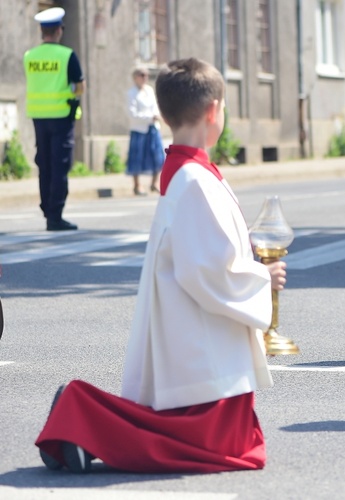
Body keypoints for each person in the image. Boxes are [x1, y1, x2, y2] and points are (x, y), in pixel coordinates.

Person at [35, 57, 286, 473]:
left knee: (225, 443)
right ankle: (79, 416)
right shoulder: (193, 180)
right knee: (216, 447)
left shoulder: (189, 173)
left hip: (198, 327)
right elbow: (206, 270)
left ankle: (82, 419)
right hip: (202, 334)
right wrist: (264, 276)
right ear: (213, 110)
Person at [24, 7, 85, 231]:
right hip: (61, 116)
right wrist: (72, 96)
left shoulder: (29, 56)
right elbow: (80, 87)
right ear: (59, 30)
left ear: (42, 31)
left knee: (44, 163)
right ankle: (55, 215)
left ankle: (46, 207)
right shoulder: (66, 55)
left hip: (38, 117)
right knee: (60, 165)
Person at [126, 67, 164, 196]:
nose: (144, 78)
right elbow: (132, 114)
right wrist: (149, 117)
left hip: (153, 127)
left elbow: (155, 107)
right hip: (139, 129)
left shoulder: (149, 91)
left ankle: (155, 183)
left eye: (146, 75)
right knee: (137, 157)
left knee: (157, 155)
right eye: (141, 75)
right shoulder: (131, 93)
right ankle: (137, 185)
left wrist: (156, 116)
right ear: (135, 77)